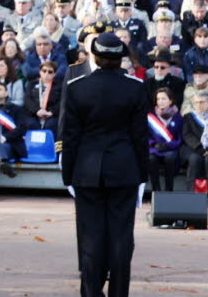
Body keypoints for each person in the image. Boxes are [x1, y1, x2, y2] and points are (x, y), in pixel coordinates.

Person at [59, 32, 148, 297]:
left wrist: (68, 176)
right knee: (121, 239)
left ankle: (90, 292)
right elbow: (140, 136)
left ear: (94, 57)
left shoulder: (77, 87)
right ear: (121, 59)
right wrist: (142, 176)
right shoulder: (135, 87)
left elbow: (70, 136)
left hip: (87, 171)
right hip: (124, 170)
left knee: (90, 239)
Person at [181, 91, 208, 206]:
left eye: (202, 102)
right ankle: (192, 194)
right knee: (195, 160)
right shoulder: (189, 117)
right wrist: (199, 148)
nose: (199, 105)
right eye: (196, 102)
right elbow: (187, 135)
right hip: (194, 148)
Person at [0, 81, 29, 201]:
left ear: (6, 93)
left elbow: (22, 128)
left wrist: (5, 137)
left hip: (12, 146)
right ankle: (3, 163)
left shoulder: (17, 109)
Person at [147, 88, 183, 192]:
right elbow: (146, 135)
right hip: (155, 148)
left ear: (170, 101)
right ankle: (156, 191)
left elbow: (180, 137)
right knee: (151, 159)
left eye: (164, 99)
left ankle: (168, 190)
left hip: (171, 148)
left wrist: (169, 145)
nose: (160, 101)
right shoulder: (150, 116)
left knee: (170, 158)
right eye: (158, 99)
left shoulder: (178, 117)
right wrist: (153, 144)